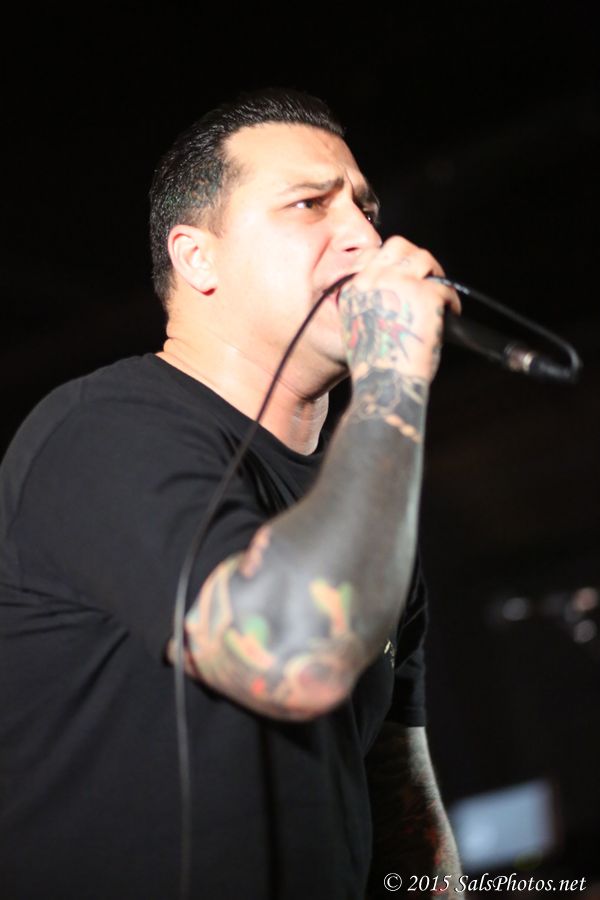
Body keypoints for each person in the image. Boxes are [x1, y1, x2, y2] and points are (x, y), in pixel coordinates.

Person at [0, 88, 462, 899]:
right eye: (310, 204)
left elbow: (405, 812)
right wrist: (393, 374)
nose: (365, 236)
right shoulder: (103, 431)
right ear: (197, 259)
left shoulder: (366, 514)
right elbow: (290, 654)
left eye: (364, 208)